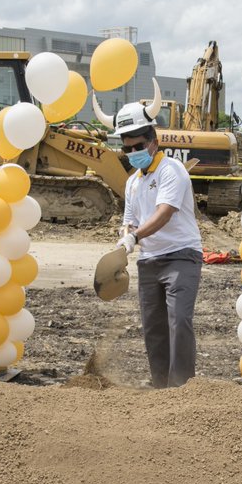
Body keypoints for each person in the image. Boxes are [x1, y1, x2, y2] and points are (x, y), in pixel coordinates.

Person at [94, 80, 203, 388]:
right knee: (153, 327)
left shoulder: (172, 171)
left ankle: (181, 387)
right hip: (149, 261)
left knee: (179, 320)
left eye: (138, 146)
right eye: (126, 148)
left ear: (153, 140)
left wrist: (134, 238)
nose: (132, 152)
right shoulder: (133, 182)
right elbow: (130, 219)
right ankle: (160, 386)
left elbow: (164, 213)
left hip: (182, 256)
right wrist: (123, 237)